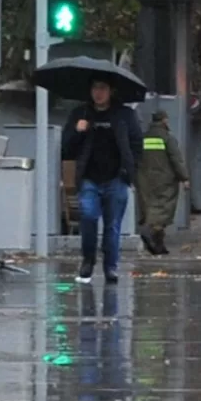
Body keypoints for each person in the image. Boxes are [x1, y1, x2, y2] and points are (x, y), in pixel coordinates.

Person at [61, 77, 143, 284]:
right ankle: (88, 260)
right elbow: (66, 149)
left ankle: (111, 267)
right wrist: (77, 132)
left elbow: (136, 145)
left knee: (112, 225)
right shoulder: (80, 114)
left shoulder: (125, 115)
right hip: (89, 179)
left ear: (111, 91)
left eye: (103, 88)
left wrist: (129, 172)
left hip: (116, 178)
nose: (98, 93)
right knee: (88, 217)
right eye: (95, 88)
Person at [137, 110, 190, 256]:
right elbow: (176, 159)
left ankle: (159, 247)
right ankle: (149, 231)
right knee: (163, 210)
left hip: (145, 179)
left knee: (149, 208)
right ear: (164, 121)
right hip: (165, 180)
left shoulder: (143, 137)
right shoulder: (167, 138)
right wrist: (184, 178)